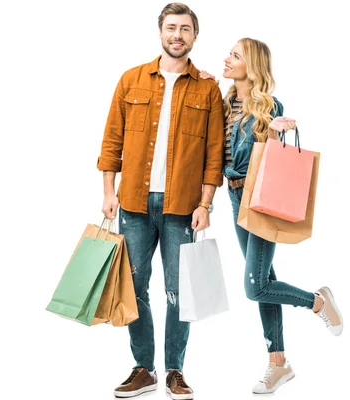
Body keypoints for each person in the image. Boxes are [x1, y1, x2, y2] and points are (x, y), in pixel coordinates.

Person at [96, 3, 224, 399]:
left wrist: (205, 204)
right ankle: (143, 367)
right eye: (171, 28)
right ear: (160, 32)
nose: (177, 35)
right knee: (134, 288)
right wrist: (107, 193)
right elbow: (111, 141)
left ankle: (175, 370)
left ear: (195, 36)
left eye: (185, 29)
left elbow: (214, 155)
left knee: (179, 290)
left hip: (182, 207)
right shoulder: (131, 80)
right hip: (132, 202)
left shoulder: (208, 88)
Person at [217, 37, 344, 394]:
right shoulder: (223, 103)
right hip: (233, 195)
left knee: (255, 287)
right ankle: (279, 364)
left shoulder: (269, 106)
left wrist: (272, 132)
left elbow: (266, 161)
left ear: (251, 65)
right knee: (265, 281)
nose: (227, 59)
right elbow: (220, 157)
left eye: (235, 55)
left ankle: (318, 301)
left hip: (258, 197)